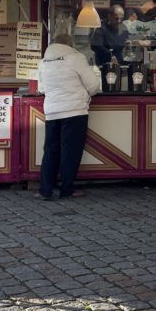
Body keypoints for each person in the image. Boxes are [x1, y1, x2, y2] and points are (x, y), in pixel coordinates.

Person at [36, 34, 101, 200]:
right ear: (70, 45)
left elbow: (42, 89)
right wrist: (85, 95)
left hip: (52, 111)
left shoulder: (43, 62)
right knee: (70, 151)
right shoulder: (76, 58)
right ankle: (67, 189)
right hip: (74, 111)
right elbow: (93, 86)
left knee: (50, 150)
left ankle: (45, 190)